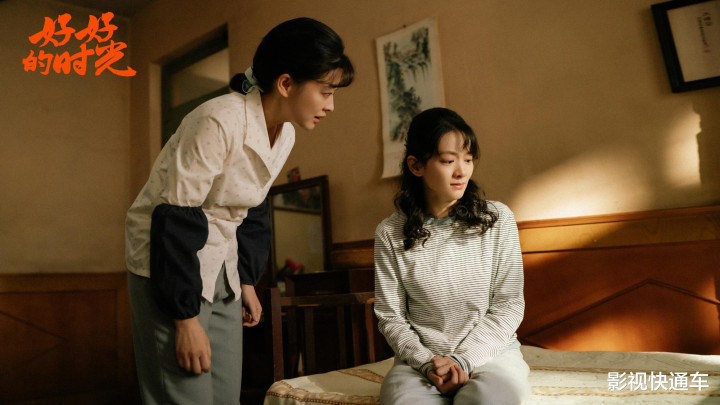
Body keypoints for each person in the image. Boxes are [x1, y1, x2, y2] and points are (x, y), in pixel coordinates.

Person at [125, 17, 354, 405]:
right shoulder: (217, 120)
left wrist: (246, 281)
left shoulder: (286, 133)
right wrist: (185, 320)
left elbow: (253, 205)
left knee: (226, 394)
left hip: (224, 264)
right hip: (170, 263)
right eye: (325, 92)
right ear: (286, 84)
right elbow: (175, 218)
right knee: (186, 393)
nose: (330, 105)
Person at [373, 107, 530, 404]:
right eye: (448, 161)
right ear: (416, 165)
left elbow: (509, 305)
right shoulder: (390, 233)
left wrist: (461, 360)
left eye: (468, 159)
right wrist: (426, 362)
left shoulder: (497, 220)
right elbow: (391, 317)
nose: (462, 171)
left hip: (491, 355)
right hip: (421, 363)